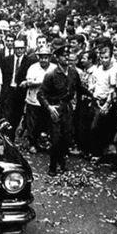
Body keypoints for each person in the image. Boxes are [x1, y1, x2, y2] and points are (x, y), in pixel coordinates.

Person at [37, 43, 86, 176]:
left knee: (67, 138)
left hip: (67, 109)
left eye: (67, 55)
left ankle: (62, 161)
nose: (66, 58)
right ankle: (53, 166)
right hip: (56, 109)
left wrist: (92, 96)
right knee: (56, 139)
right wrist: (49, 107)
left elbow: (79, 88)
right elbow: (41, 94)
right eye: (63, 56)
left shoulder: (73, 72)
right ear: (57, 58)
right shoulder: (51, 75)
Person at [22, 46, 56, 153]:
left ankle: (46, 143)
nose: (43, 60)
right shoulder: (33, 68)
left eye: (46, 58)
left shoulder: (54, 68)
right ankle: (32, 143)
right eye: (41, 58)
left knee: (47, 123)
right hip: (34, 99)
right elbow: (29, 82)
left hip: (48, 100)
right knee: (32, 123)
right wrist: (43, 82)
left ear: (49, 58)